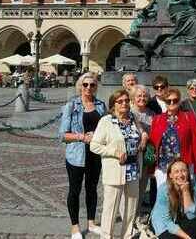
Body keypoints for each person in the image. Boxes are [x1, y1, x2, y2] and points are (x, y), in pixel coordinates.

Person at [58, 72, 106, 239]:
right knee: (75, 190)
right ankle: (75, 227)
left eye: (92, 85)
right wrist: (82, 137)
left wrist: (98, 135)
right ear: (80, 86)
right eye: (85, 85)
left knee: (92, 189)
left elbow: (105, 127)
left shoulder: (101, 105)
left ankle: (91, 223)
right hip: (76, 156)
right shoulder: (72, 105)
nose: (88, 88)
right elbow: (62, 135)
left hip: (95, 154)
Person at [90, 89, 144, 239]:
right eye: (120, 101)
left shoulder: (133, 118)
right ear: (113, 105)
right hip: (115, 169)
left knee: (131, 208)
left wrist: (143, 138)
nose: (124, 104)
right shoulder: (106, 121)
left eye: (126, 101)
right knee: (110, 209)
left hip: (133, 169)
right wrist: (115, 152)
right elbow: (94, 145)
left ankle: (127, 235)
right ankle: (107, 236)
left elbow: (141, 133)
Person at [149, 88, 196, 186]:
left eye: (175, 100)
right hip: (163, 166)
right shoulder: (157, 119)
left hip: (183, 165)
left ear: (179, 101)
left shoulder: (189, 117)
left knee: (184, 195)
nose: (171, 102)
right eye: (168, 101)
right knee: (164, 196)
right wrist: (152, 167)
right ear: (164, 102)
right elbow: (153, 145)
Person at [151, 159, 196, 239]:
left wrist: (186, 192)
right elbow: (167, 222)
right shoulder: (164, 189)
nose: (180, 175)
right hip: (163, 224)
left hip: (179, 219)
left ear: (188, 172)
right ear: (170, 175)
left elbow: (192, 215)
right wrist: (187, 237)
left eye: (183, 171)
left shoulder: (193, 185)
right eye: (176, 172)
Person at [129, 84, 155, 213]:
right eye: (139, 96)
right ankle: (128, 216)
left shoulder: (152, 114)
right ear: (133, 97)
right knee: (130, 188)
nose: (142, 98)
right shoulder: (128, 112)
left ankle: (136, 214)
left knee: (142, 186)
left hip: (145, 155)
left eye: (145, 96)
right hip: (131, 155)